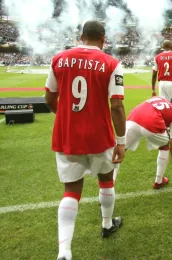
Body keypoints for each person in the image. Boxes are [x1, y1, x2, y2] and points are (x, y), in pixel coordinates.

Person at [45, 21, 126, 260]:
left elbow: (49, 99)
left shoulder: (59, 59)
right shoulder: (112, 64)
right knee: (106, 180)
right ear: (103, 38)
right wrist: (121, 140)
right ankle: (107, 224)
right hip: (99, 136)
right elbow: (117, 106)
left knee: (71, 190)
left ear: (81, 36)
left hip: (68, 135)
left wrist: (66, 118)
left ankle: (64, 252)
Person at [125, 94, 172, 189]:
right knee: (165, 144)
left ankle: (107, 182)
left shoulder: (159, 98)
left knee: (120, 150)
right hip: (149, 124)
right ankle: (159, 181)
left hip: (132, 118)